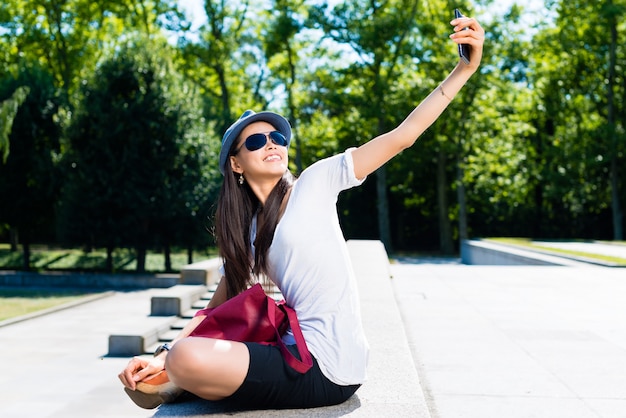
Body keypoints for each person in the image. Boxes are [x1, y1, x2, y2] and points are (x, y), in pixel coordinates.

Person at [119, 13, 484, 411]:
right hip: (290, 348)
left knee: (185, 360)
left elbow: (403, 136)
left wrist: (463, 69)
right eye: (257, 140)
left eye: (277, 136)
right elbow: (213, 308)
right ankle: (177, 376)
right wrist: (161, 353)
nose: (272, 143)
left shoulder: (315, 183)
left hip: (327, 367)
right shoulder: (250, 230)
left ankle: (181, 379)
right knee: (168, 363)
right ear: (236, 165)